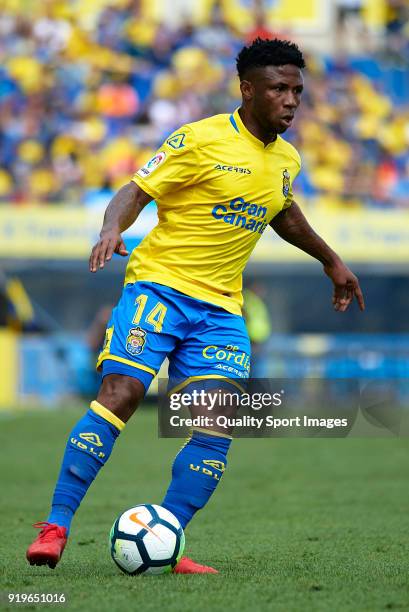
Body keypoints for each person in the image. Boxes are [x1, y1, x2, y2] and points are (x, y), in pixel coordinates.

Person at [26, 38, 365, 574]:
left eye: (298, 90)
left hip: (221, 311)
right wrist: (113, 227)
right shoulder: (198, 140)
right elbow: (136, 191)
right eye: (279, 89)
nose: (291, 100)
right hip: (159, 288)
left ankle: (168, 535)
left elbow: (282, 210)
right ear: (247, 90)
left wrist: (330, 260)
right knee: (122, 394)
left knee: (215, 425)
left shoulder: (287, 159)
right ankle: (56, 524)